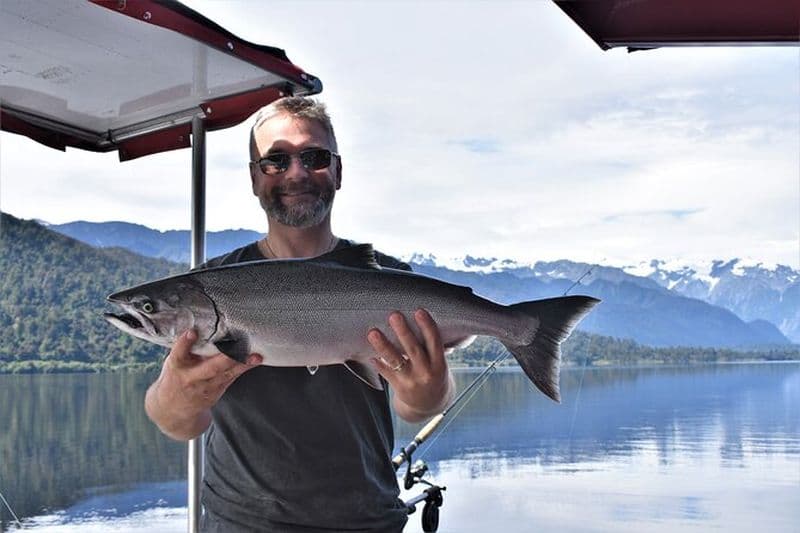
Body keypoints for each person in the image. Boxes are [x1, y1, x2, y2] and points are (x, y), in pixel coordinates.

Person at [144, 96, 456, 532]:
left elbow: (420, 405)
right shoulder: (208, 287)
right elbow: (176, 422)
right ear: (255, 178)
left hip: (367, 522)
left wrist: (430, 391)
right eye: (276, 160)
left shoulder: (389, 279)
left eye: (314, 157)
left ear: (338, 171)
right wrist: (177, 394)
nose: (296, 173)